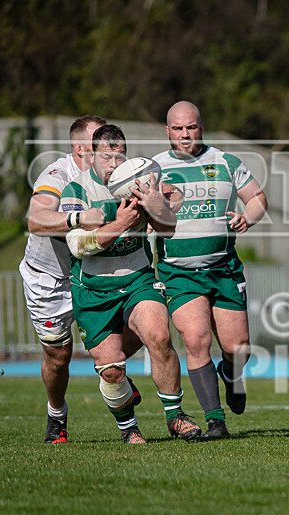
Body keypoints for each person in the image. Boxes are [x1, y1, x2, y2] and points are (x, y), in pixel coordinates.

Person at [60, 124, 201, 444]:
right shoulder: (76, 191)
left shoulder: (141, 180)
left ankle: (176, 416)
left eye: (119, 156)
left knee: (160, 336)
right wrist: (118, 225)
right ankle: (129, 428)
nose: (114, 164)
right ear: (91, 156)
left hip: (137, 277)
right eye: (106, 157)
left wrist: (157, 205)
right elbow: (77, 246)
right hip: (93, 288)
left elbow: (167, 229)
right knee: (111, 370)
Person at [152, 101, 268, 438]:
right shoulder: (155, 169)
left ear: (201, 127)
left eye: (191, 127)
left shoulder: (226, 161)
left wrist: (248, 216)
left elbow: (258, 197)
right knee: (196, 339)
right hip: (179, 272)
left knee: (238, 346)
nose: (185, 134)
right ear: (167, 131)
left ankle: (232, 375)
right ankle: (215, 421)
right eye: (178, 128)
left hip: (224, 267)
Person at [19, 115, 109, 443]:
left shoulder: (114, 171)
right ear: (79, 147)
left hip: (91, 274)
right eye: (99, 139)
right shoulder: (57, 174)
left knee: (139, 325)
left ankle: (117, 379)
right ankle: (57, 413)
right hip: (49, 280)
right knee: (58, 357)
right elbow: (36, 219)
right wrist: (77, 219)